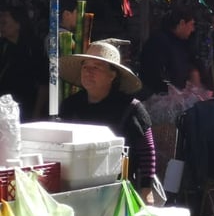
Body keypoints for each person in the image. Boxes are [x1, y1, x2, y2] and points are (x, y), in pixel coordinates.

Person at [59, 40, 157, 204]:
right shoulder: (71, 106)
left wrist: (147, 189)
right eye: (85, 67)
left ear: (112, 75)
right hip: (74, 188)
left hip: (119, 188)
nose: (88, 72)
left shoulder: (131, 108)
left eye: (96, 68)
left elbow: (147, 151)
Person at [138, 4, 197, 98]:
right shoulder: (159, 42)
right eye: (191, 24)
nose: (193, 29)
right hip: (158, 99)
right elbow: (155, 74)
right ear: (182, 23)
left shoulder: (178, 42)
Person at [0, 5, 47, 120]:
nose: (1, 27)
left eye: (4, 23)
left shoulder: (34, 47)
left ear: (18, 24)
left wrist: (36, 113)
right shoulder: (3, 45)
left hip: (27, 107)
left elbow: (43, 83)